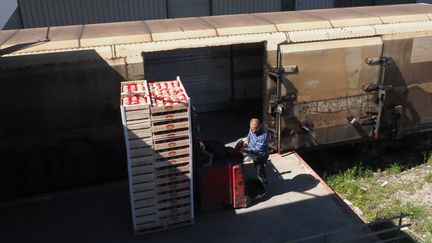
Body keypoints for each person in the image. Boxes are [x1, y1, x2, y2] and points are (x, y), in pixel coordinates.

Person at [242, 118, 269, 198]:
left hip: (260, 155)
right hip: (254, 153)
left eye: (255, 129)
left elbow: (257, 150)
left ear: (259, 126)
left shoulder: (263, 135)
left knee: (260, 172)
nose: (253, 131)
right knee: (257, 168)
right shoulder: (252, 128)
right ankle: (260, 181)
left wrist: (244, 150)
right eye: (252, 129)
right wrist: (247, 139)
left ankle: (263, 190)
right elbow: (249, 134)